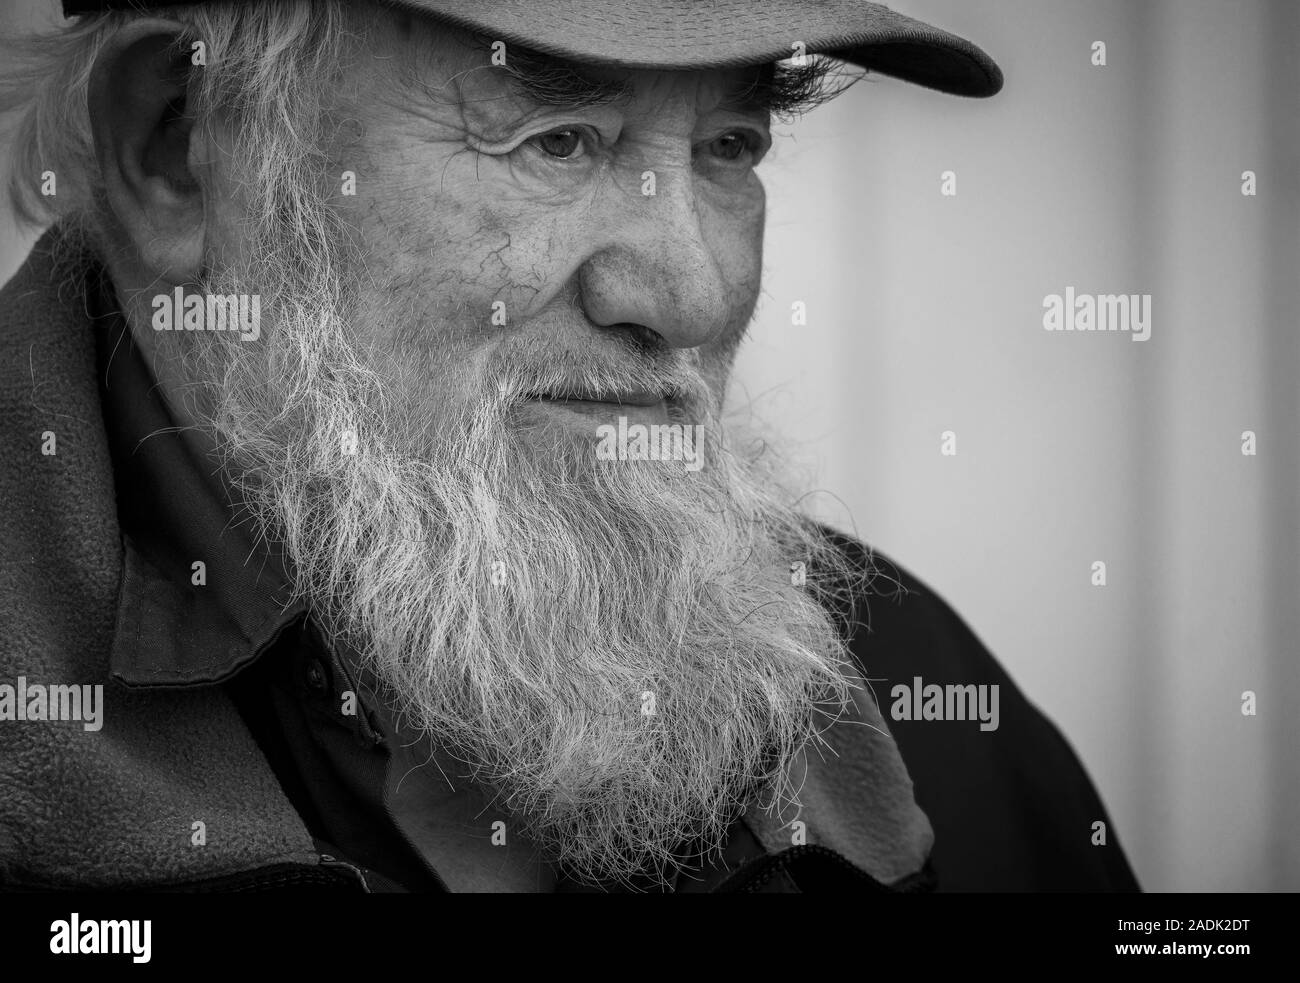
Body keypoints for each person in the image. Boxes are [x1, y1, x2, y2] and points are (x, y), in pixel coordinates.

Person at [0, 0, 1138, 892]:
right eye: (559, 141)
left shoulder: (905, 686)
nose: (692, 291)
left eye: (729, 143)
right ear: (176, 144)